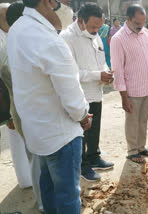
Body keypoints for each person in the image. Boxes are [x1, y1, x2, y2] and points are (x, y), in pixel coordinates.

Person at [7, 0, 91, 213]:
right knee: (68, 197)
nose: (69, 6)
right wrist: (83, 117)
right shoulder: (50, 42)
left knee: (48, 189)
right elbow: (73, 101)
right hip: (61, 135)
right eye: (65, 1)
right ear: (48, 1)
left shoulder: (18, 28)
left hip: (37, 130)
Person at [61, 4, 114, 182]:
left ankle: (93, 157)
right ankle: (82, 166)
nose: (96, 30)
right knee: (81, 132)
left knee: (95, 128)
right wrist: (98, 75)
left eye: (99, 27)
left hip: (96, 92)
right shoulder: (67, 38)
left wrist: (106, 73)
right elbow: (71, 73)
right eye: (93, 27)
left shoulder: (96, 35)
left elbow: (101, 61)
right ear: (80, 20)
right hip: (79, 95)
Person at [0, 2, 43, 212]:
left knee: (37, 153)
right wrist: (6, 115)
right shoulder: (5, 42)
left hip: (30, 105)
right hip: (19, 108)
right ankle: (43, 200)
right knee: (34, 154)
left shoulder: (18, 36)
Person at [110, 4, 148, 164]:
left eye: (143, 22)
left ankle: (141, 147)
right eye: (137, 23)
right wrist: (124, 97)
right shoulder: (118, 39)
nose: (140, 26)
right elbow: (117, 70)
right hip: (132, 90)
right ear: (128, 19)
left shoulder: (146, 34)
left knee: (143, 120)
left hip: (147, 87)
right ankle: (132, 151)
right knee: (132, 121)